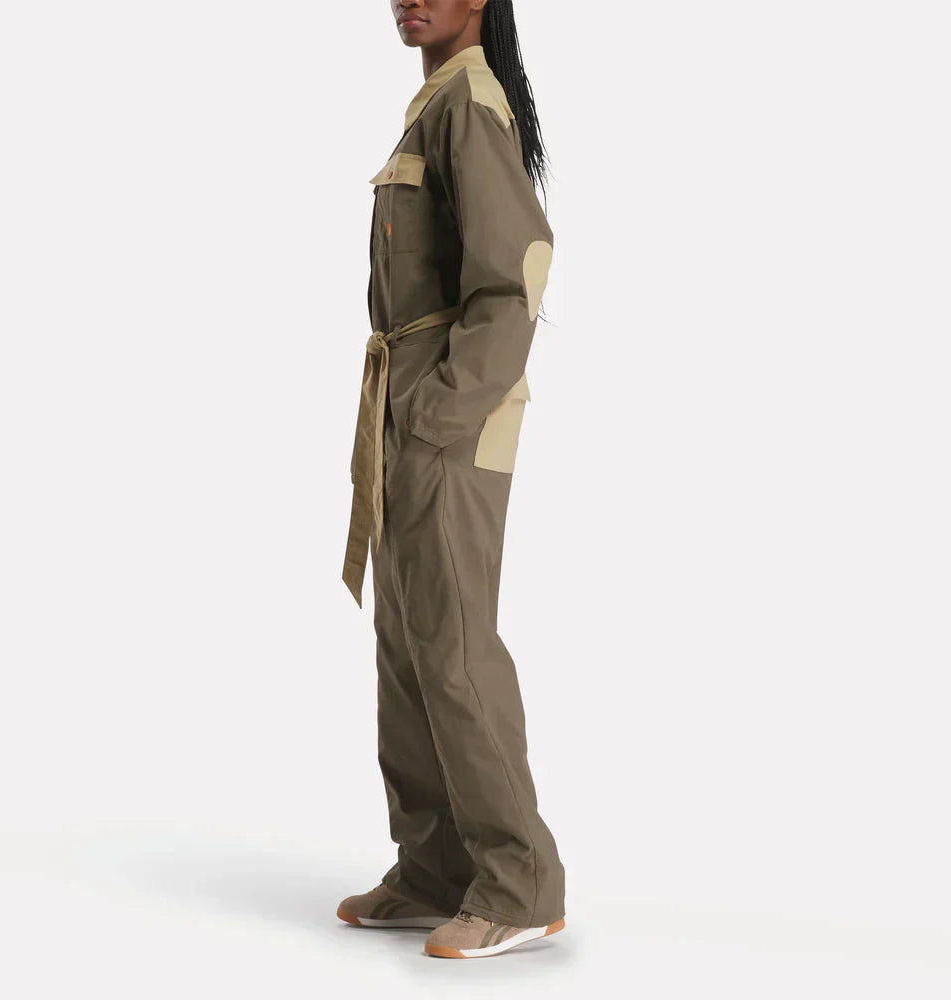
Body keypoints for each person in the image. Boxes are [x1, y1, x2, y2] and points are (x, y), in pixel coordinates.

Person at [340, 0, 565, 960]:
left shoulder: (469, 102)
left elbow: (516, 278)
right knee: (406, 641)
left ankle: (519, 883)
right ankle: (434, 868)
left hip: (449, 416)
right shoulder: (434, 103)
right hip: (408, 406)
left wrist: (439, 414)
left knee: (455, 643)